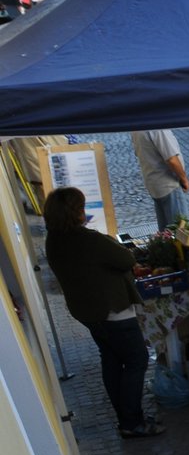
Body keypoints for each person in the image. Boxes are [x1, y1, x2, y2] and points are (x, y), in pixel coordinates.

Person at [42, 186, 163, 439]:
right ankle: (132, 422)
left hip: (86, 312)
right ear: (76, 212)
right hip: (112, 310)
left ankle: (125, 418)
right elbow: (126, 260)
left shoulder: (54, 240)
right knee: (136, 360)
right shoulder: (89, 240)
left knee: (111, 359)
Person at [129, 128, 189, 230]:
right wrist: (184, 178)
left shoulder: (136, 126)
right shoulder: (158, 128)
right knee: (180, 232)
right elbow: (172, 160)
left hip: (154, 184)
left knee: (166, 233)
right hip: (168, 184)